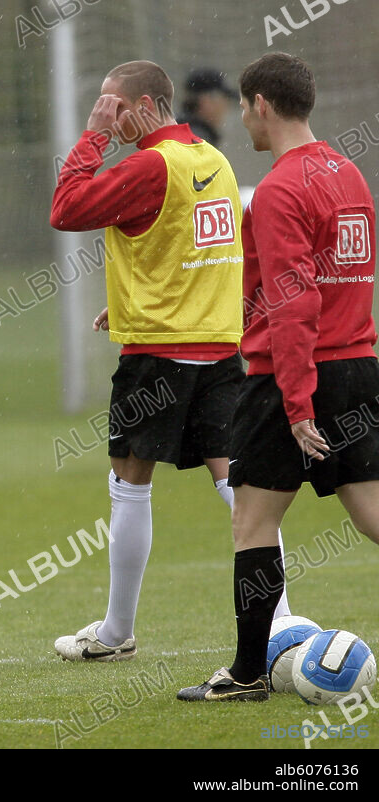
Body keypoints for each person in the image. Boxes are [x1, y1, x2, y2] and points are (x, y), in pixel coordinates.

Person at [49, 60, 291, 664]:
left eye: (114, 104)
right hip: (216, 348)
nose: (108, 113)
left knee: (129, 483)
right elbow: (193, 248)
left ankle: (115, 631)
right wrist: (127, 303)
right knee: (237, 483)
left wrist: (94, 137)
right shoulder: (208, 158)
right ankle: (285, 624)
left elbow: (67, 208)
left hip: (160, 355)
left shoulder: (147, 164)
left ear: (146, 105)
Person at [179, 53, 379, 701]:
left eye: (243, 105)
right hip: (356, 366)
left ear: (263, 104)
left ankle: (243, 675)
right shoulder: (348, 173)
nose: (241, 117)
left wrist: (296, 402)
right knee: (374, 514)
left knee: (252, 524)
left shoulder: (281, 187)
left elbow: (294, 303)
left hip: (291, 377)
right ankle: (244, 670)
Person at [177, 68, 240, 148]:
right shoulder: (197, 140)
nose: (226, 107)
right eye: (225, 99)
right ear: (206, 101)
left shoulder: (176, 132)